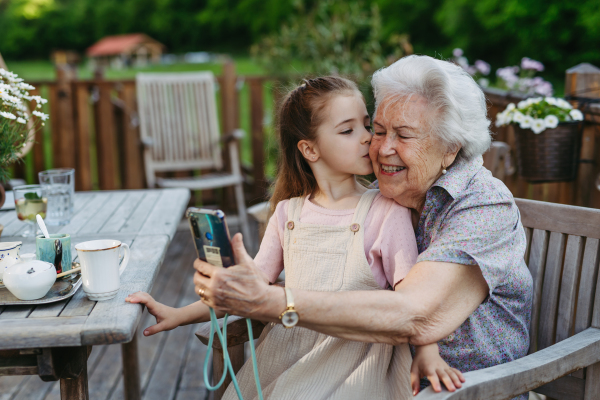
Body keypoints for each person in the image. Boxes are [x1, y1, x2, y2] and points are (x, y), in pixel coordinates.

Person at [188, 56, 533, 400]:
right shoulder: (385, 199)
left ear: (450, 149)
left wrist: (272, 300)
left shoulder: (482, 207)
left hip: (467, 390)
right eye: (380, 130)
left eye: (404, 135)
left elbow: (415, 312)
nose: (381, 148)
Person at [127, 76, 465, 399]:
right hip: (285, 356)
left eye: (366, 125)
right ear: (310, 150)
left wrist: (428, 352)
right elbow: (248, 287)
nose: (366, 138)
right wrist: (176, 314)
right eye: (348, 130)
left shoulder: (385, 212)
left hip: (355, 364)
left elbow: (413, 303)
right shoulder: (288, 214)